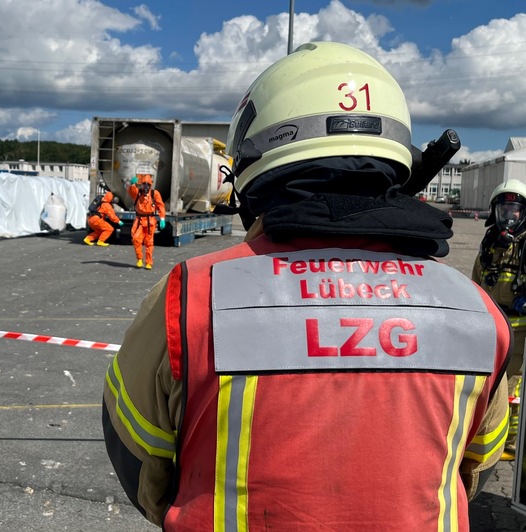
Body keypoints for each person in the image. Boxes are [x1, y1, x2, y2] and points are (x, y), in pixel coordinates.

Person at [102, 41, 511, 530]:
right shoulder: (477, 313)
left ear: (255, 160)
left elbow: (136, 457)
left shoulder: (189, 296)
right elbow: (477, 465)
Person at [472, 179, 526, 461]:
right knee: (487, 384)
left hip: (519, 326)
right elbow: (476, 280)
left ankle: (510, 441)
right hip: (493, 325)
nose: (509, 216)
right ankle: (487, 434)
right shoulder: (489, 242)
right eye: (504, 209)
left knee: (512, 386)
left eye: (515, 210)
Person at [126, 173, 166, 269]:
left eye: (147, 184)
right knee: (136, 239)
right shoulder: (138, 193)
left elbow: (160, 206)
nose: (145, 186)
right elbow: (131, 191)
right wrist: (132, 184)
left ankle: (148, 262)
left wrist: (162, 218)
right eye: (144, 184)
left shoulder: (154, 193)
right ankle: (139, 259)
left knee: (149, 242)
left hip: (150, 221)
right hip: (139, 220)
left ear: (150, 185)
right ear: (141, 184)